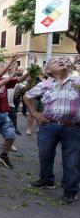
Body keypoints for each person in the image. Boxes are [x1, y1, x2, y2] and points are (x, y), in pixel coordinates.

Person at [24, 57, 80, 205]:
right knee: (45, 154)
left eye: (65, 61)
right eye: (57, 61)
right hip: (49, 125)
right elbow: (27, 96)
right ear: (48, 70)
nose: (63, 62)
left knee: (72, 160)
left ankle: (70, 191)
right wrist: (34, 112)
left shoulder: (77, 81)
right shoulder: (45, 84)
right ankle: (47, 180)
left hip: (73, 127)